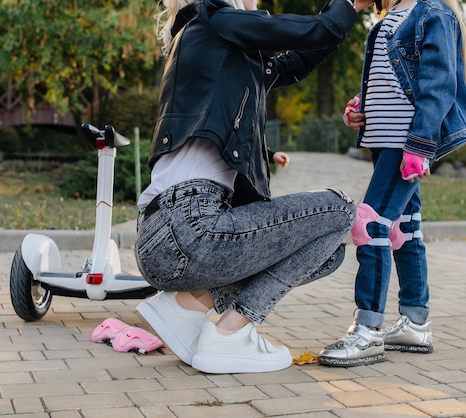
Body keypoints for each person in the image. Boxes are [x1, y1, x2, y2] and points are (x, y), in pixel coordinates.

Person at [134, 0, 374, 374]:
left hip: (165, 235)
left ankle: (187, 306)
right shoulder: (213, 16)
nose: (259, 3)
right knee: (339, 210)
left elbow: (292, 63)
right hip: (188, 227)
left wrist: (345, 11)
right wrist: (345, 6)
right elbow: (314, 30)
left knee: (329, 251)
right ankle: (231, 333)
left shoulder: (219, 43)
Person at [319, 0, 466, 367]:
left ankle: (368, 330)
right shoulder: (391, 15)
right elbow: (391, 79)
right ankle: (415, 322)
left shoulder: (433, 12)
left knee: (369, 222)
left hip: (406, 142)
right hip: (384, 139)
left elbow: (438, 85)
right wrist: (360, 106)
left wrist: (420, 146)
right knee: (404, 228)